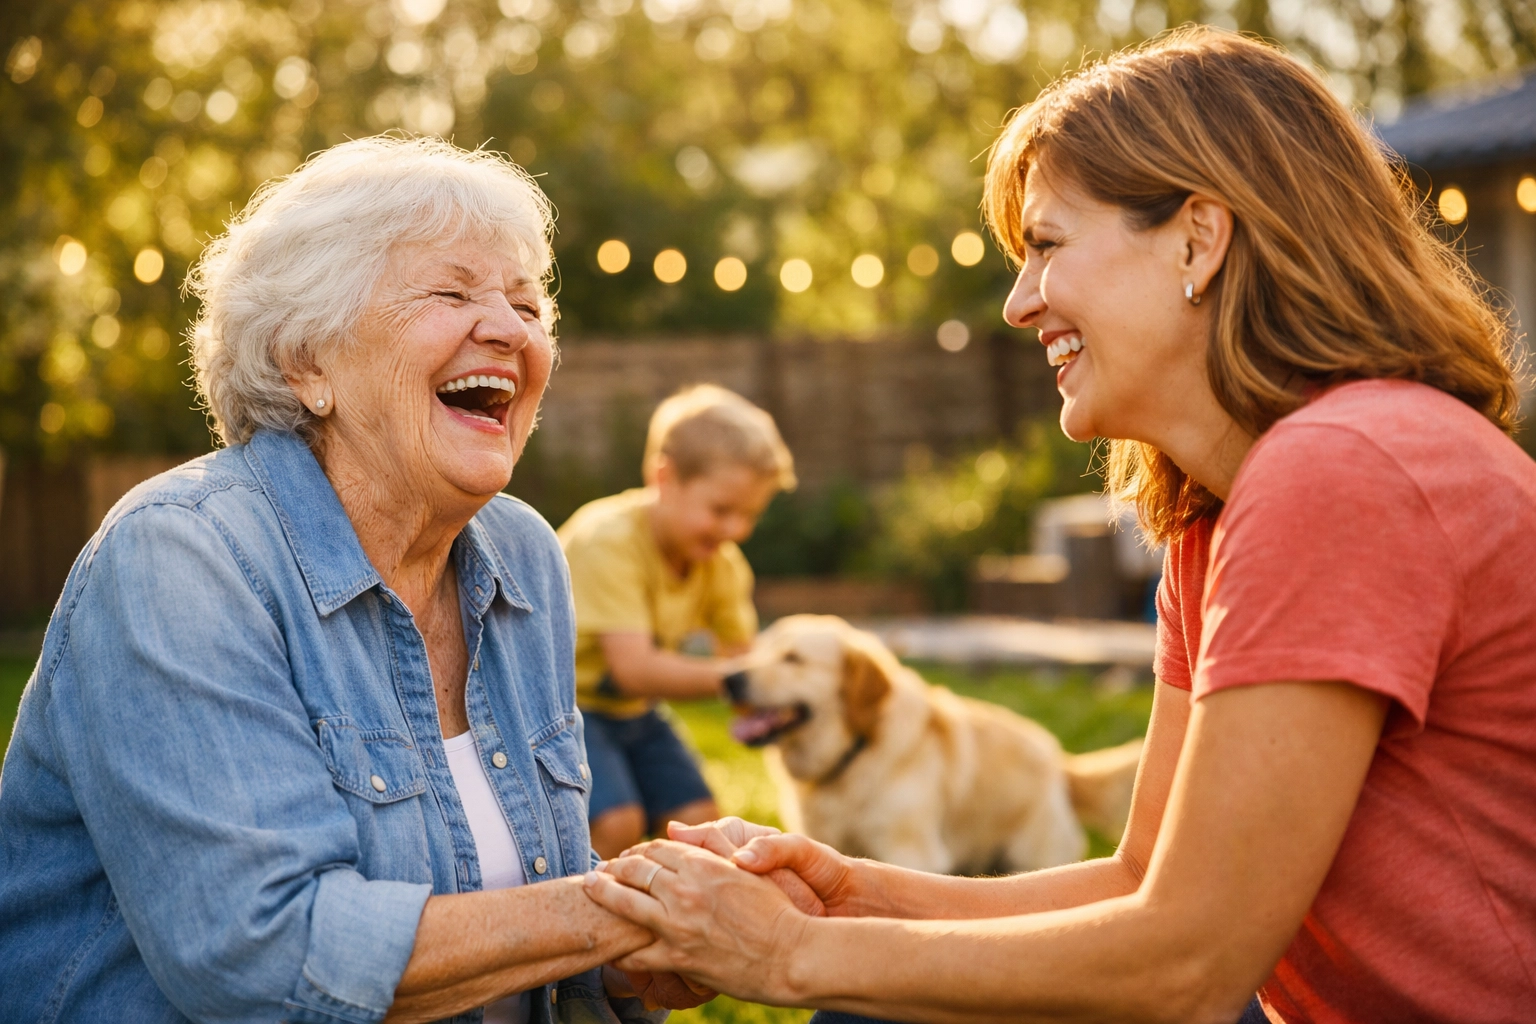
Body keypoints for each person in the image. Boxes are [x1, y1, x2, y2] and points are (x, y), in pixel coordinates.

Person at [582, 27, 1536, 1024]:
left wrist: (790, 954)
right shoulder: (1221, 515)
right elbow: (1139, 880)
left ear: (1199, 240)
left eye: (1046, 245)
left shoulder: (1344, 470)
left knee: (864, 1005)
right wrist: (850, 895)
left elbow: (1190, 965)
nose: (1017, 302)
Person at [0, 137, 707, 1024]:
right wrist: (618, 915)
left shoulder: (522, 555)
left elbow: (515, 895)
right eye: (452, 293)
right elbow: (264, 955)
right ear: (308, 364)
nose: (510, 329)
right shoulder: (182, 559)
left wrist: (649, 937)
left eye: (527, 305)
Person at [558, 385, 795, 858]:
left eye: (749, 515)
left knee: (704, 826)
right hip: (563, 710)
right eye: (721, 510)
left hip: (635, 712)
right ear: (664, 478)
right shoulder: (608, 542)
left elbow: (742, 659)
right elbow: (635, 668)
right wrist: (738, 681)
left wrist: (776, 704)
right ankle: (581, 921)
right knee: (616, 822)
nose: (735, 531)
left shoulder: (721, 564)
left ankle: (679, 921)